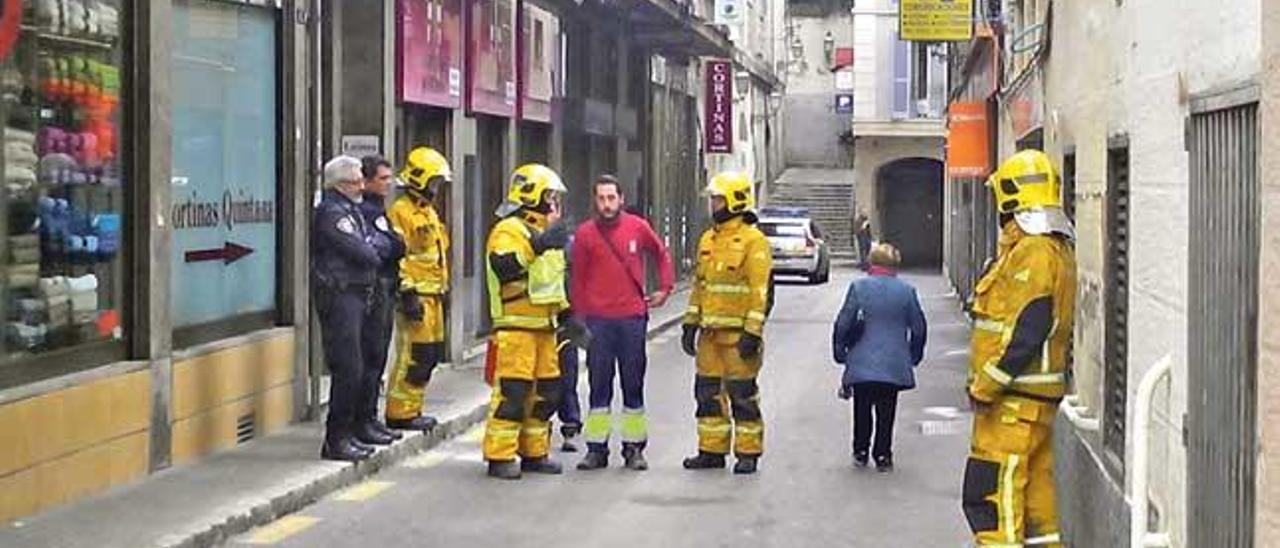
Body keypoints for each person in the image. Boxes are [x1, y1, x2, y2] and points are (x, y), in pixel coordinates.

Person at [961, 150, 1075, 548]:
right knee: (1036, 503)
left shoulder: (1033, 251)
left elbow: (1030, 325)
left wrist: (985, 386)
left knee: (993, 495)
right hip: (1034, 399)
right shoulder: (1055, 248)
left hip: (1013, 402)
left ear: (1011, 199)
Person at [482, 163, 588, 480]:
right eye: (550, 196)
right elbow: (505, 266)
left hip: (545, 329)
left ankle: (534, 452)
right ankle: (499, 456)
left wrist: (569, 315)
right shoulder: (509, 230)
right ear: (532, 196)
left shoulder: (546, 234)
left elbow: (551, 283)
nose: (554, 203)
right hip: (516, 328)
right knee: (513, 394)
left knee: (546, 395)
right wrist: (537, 245)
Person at [571, 175, 675, 471]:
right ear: (595, 200)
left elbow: (661, 254)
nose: (606, 204)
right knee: (598, 387)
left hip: (631, 319)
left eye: (611, 198)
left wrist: (665, 289)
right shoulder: (585, 235)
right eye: (601, 198)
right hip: (598, 322)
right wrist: (578, 318)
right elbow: (577, 279)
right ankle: (596, 449)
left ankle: (634, 448)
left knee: (633, 385)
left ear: (621, 198)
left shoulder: (637, 227)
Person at [680, 171, 773, 475]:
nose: (714, 205)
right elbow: (700, 285)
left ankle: (748, 453)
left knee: (742, 396)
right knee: (707, 395)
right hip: (709, 335)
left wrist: (752, 332)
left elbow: (761, 292)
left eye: (718, 199)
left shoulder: (753, 241)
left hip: (737, 338)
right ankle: (711, 450)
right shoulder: (708, 239)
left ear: (735, 200)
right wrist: (690, 323)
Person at [831, 242, 927, 472]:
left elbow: (844, 321)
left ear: (871, 262)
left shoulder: (858, 287)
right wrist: (914, 355)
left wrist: (839, 349)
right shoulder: (907, 291)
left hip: (862, 361)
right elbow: (919, 327)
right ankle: (883, 455)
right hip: (893, 362)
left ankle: (861, 451)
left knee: (862, 408)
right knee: (887, 410)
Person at [312, 155, 381, 462]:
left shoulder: (351, 210)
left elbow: (378, 242)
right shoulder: (331, 212)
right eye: (355, 182)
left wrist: (374, 246)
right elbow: (364, 251)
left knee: (360, 365)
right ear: (339, 184)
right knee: (348, 367)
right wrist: (373, 247)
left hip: (356, 294)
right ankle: (335, 439)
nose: (361, 187)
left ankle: (349, 433)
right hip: (339, 296)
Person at [383, 147, 453, 432]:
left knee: (430, 354)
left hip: (434, 294)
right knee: (413, 355)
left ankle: (413, 407)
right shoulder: (401, 212)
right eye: (433, 182)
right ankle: (398, 412)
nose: (436, 188)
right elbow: (398, 256)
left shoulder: (428, 212)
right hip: (416, 296)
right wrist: (408, 293)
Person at [352, 155, 405, 447]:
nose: (388, 184)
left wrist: (393, 244)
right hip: (373, 290)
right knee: (369, 358)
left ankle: (370, 418)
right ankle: (362, 421)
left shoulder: (380, 211)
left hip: (386, 287)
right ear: (367, 180)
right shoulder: (363, 212)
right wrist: (392, 244)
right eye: (383, 179)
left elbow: (396, 244)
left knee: (378, 358)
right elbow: (381, 246)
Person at [554, 233, 583, 452]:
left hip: (566, 318)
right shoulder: (524, 239)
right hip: (537, 320)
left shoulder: (567, 244)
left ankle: (570, 426)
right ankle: (537, 430)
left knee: (567, 373)